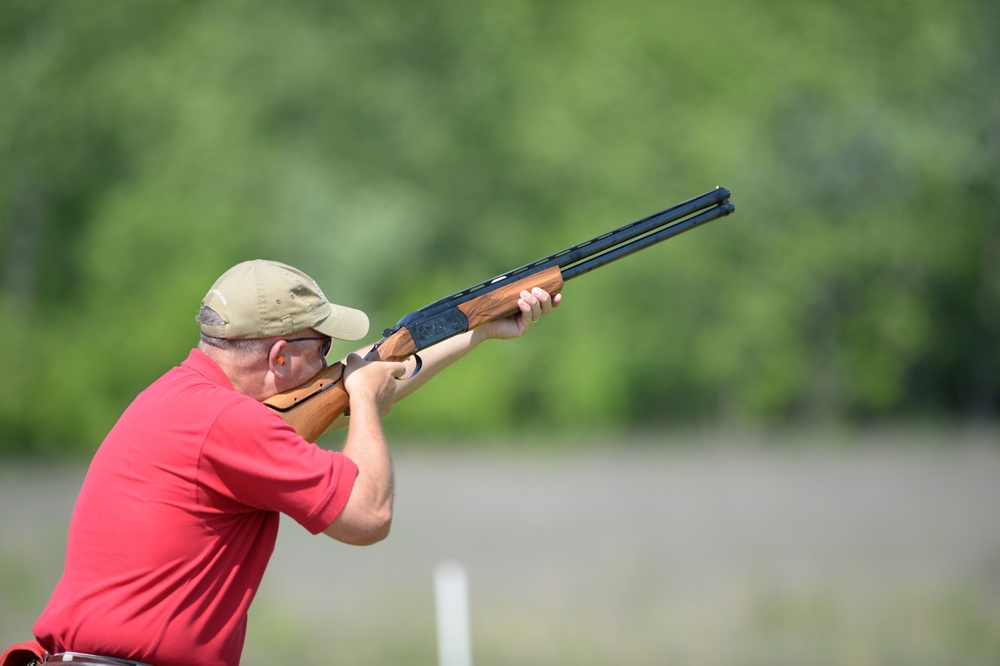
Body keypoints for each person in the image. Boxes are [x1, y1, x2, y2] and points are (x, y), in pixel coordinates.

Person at [16, 259, 560, 666]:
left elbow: (372, 378)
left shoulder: (180, 397)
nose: (329, 364)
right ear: (279, 357)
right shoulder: (230, 422)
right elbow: (368, 515)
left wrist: (479, 329)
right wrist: (365, 398)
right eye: (321, 349)